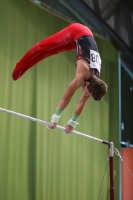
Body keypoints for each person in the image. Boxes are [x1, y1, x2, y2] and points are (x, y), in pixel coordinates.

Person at [12, 23, 107, 133]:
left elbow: (82, 103)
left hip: (82, 40)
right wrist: (55, 118)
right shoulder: (82, 76)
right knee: (42, 47)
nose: (86, 95)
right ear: (87, 84)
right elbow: (66, 97)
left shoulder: (95, 83)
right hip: (77, 31)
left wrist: (71, 123)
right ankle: (20, 65)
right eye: (88, 93)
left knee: (52, 51)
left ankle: (23, 66)